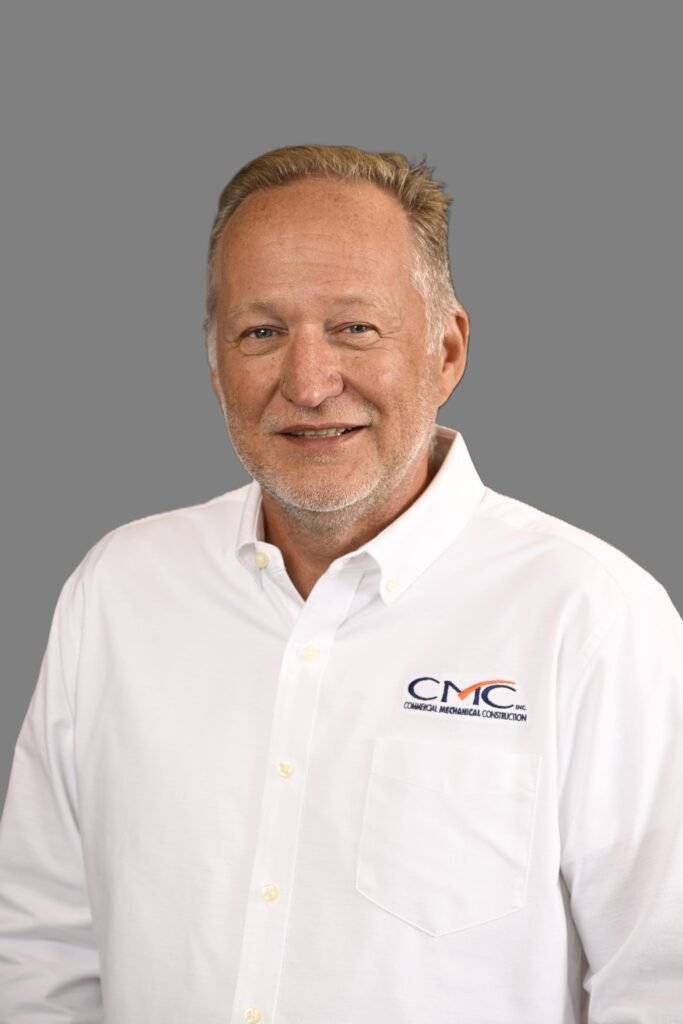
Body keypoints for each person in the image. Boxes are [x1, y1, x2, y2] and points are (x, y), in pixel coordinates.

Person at [0, 144, 681, 1024]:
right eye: (261, 333)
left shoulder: (592, 617)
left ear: (444, 350)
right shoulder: (119, 593)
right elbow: (42, 950)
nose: (309, 383)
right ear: (214, 363)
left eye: (355, 328)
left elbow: (661, 982)